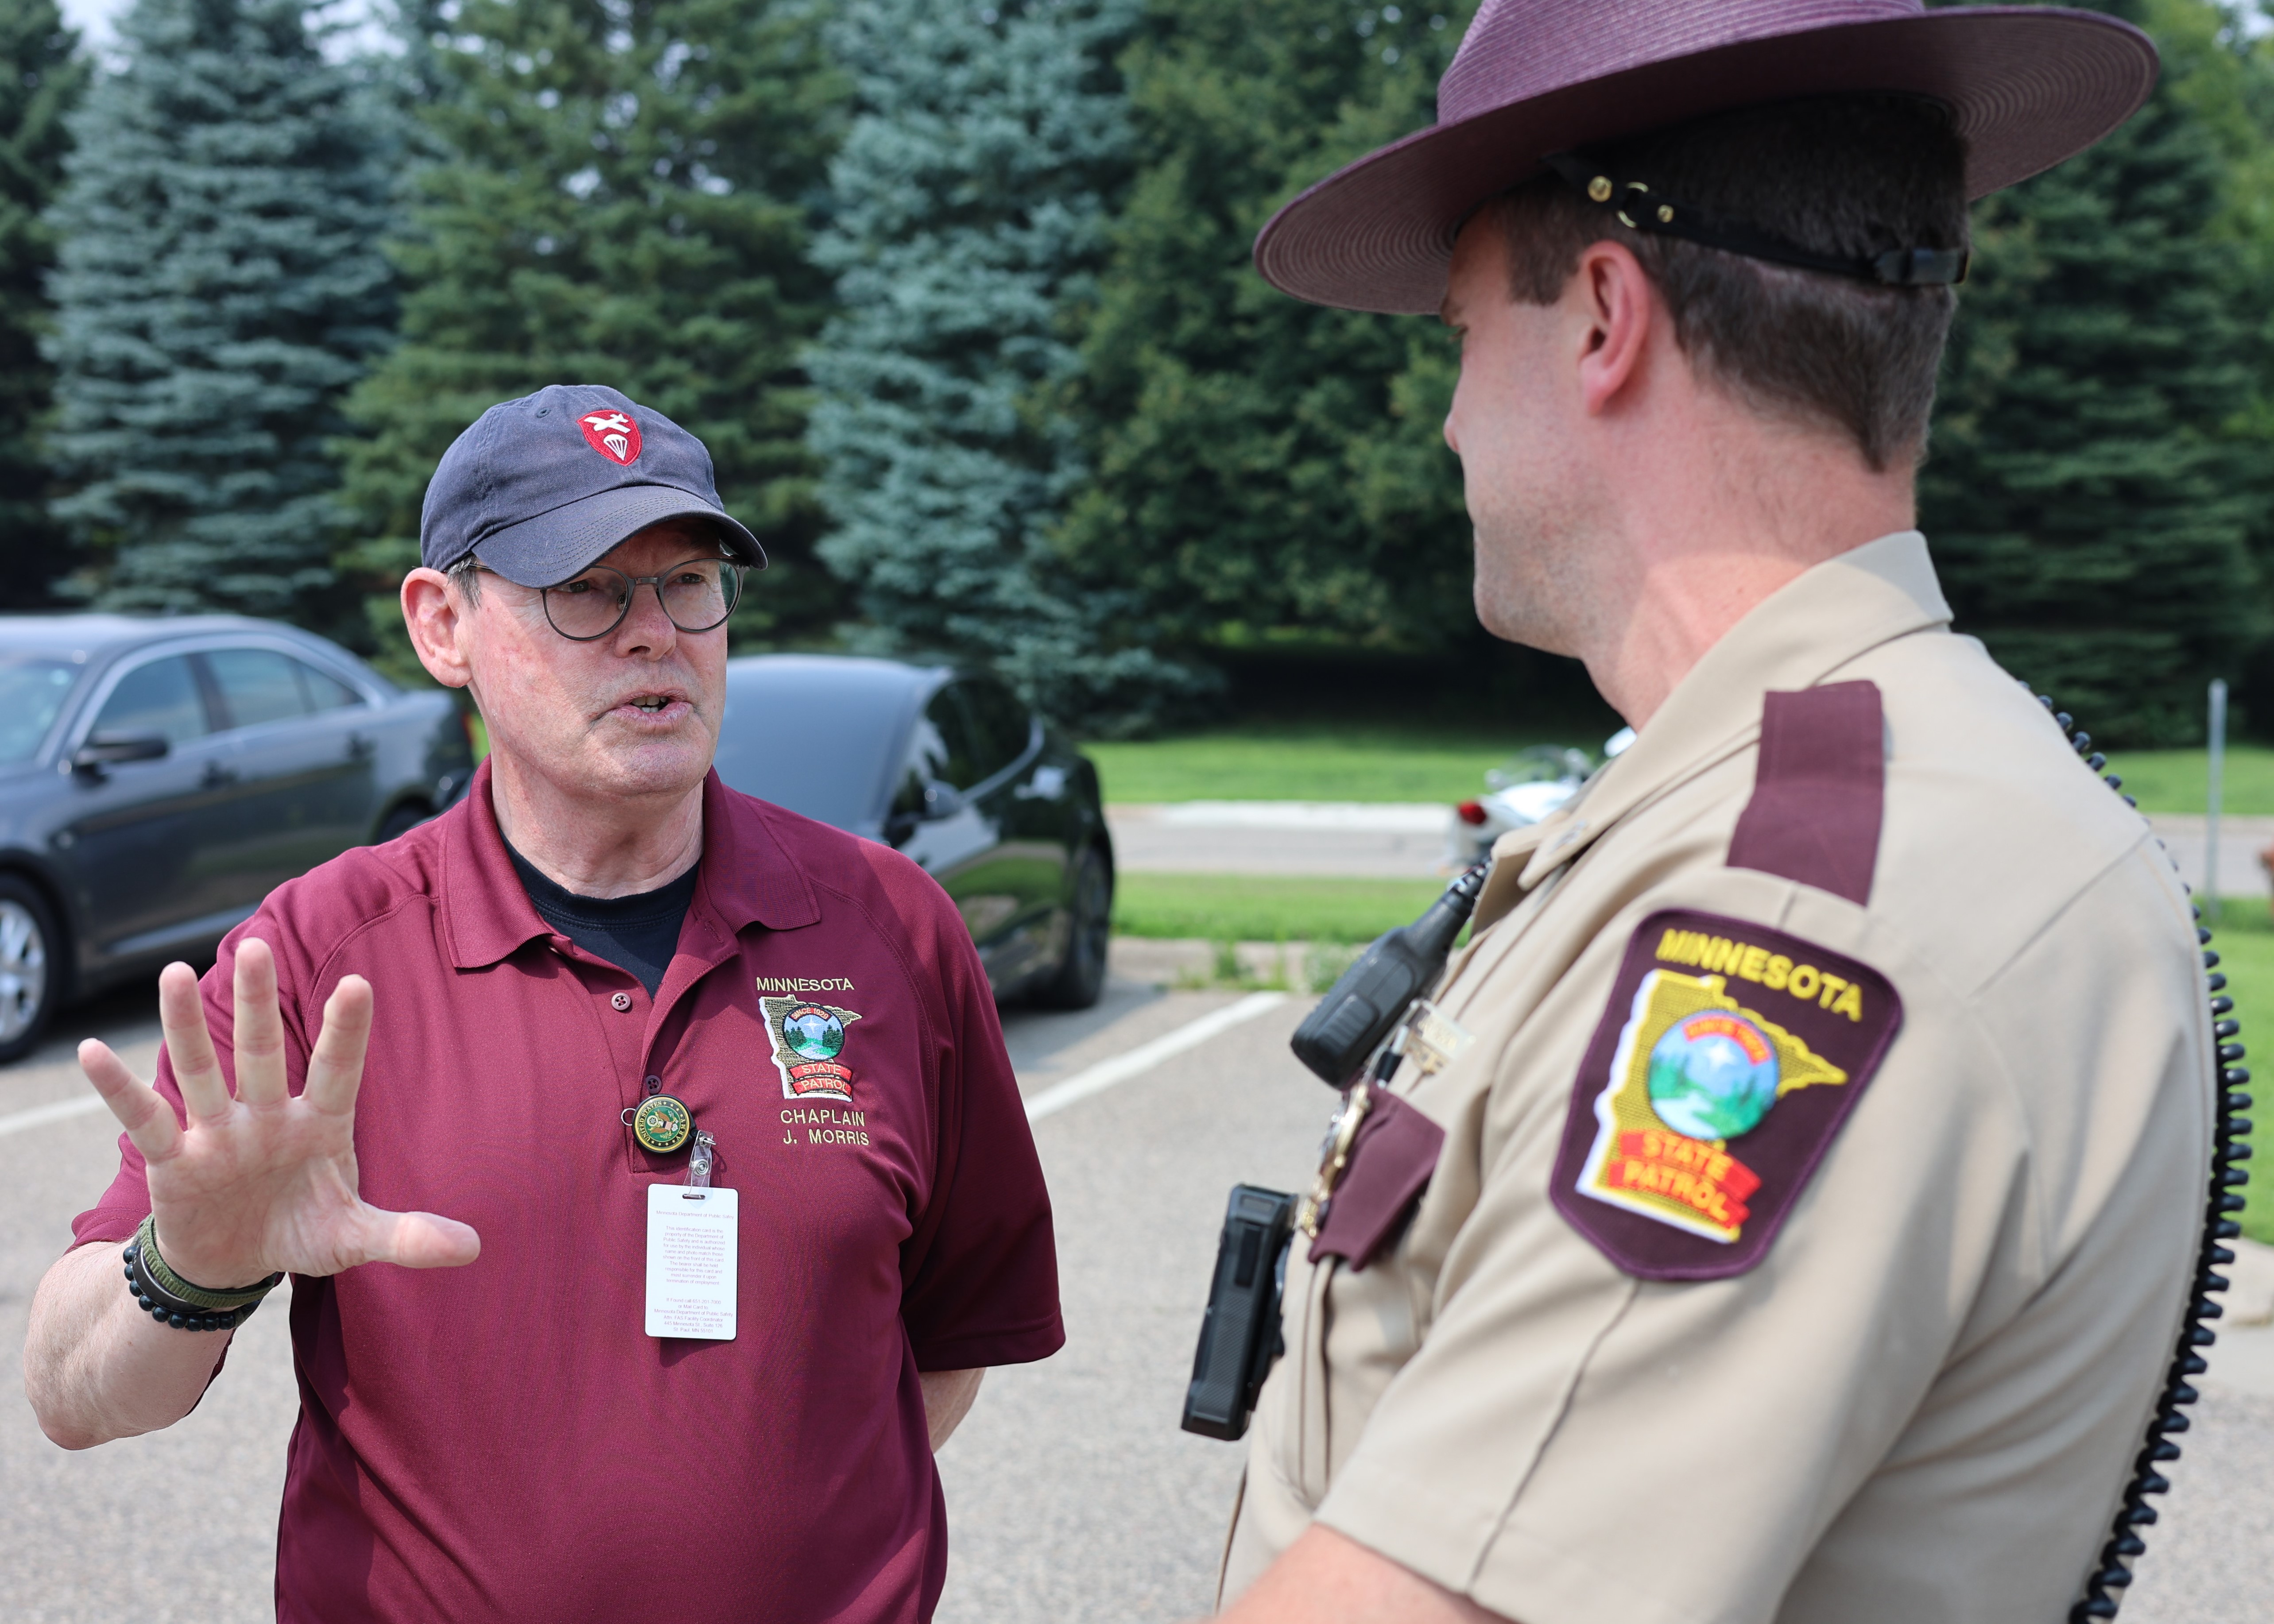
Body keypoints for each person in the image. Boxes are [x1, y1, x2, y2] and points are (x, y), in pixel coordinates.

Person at [1213, 4, 2216, 1622]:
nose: (1452, 417)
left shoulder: (1808, 906)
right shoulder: (1796, 803)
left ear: (1604, 316)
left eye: (1462, 334)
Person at [23, 384, 1064, 1623]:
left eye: (689, 581)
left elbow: (943, 1344)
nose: (655, 635)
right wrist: (187, 1267)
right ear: (442, 624)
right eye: (586, 590)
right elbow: (73, 1397)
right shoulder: (319, 956)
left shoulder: (893, 924)